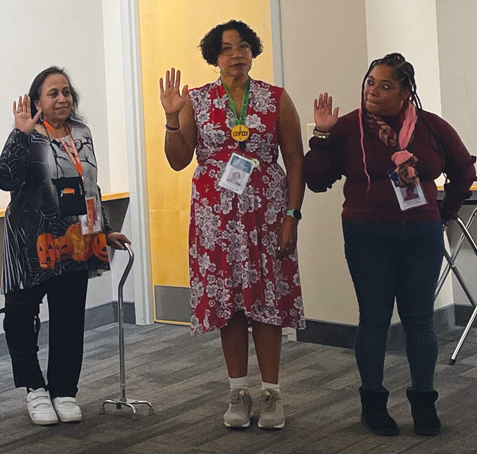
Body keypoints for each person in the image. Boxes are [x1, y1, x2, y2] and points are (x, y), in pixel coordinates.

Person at [304, 53, 477, 437]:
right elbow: (316, 181)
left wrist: (445, 211)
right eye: (370, 82)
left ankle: (423, 402)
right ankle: (374, 404)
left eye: (385, 86)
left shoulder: (430, 127)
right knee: (375, 319)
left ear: (405, 93)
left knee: (419, 320)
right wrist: (321, 135)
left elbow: (463, 168)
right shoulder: (348, 127)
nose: (374, 91)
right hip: (367, 234)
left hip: (421, 234)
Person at [159, 20, 305, 430]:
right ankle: (238, 392)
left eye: (243, 46)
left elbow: (294, 159)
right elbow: (177, 158)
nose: (235, 54)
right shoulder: (197, 100)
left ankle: (272, 394)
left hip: (267, 215)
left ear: (253, 52)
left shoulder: (275, 98)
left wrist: (292, 215)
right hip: (216, 220)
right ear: (214, 58)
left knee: (268, 304)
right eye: (225, 49)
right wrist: (172, 118)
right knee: (231, 307)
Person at [0, 66, 131, 426]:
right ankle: (34, 389)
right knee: (22, 318)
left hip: (76, 241)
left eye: (67, 92)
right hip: (30, 242)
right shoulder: (28, 135)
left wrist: (107, 230)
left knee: (70, 318)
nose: (62, 99)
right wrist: (18, 135)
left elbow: (91, 187)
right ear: (37, 100)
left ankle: (64, 390)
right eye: (53, 93)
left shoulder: (82, 133)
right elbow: (4, 178)